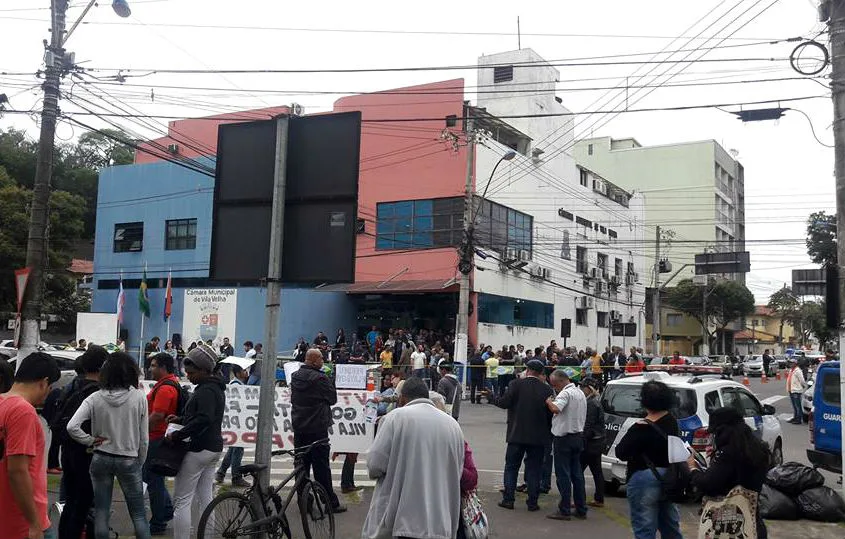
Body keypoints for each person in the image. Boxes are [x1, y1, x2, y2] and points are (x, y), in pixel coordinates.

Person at [362, 377, 465, 539]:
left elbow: (375, 464)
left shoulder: (395, 418)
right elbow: (457, 471)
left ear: (402, 398)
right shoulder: (453, 426)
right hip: (440, 523)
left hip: (402, 522)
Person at [67, 351, 150, 539]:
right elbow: (144, 438)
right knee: (138, 515)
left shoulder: (95, 397)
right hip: (129, 458)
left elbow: (72, 426)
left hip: (101, 457)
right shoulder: (138, 397)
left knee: (102, 513)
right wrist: (140, 461)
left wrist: (89, 440)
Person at [166, 344, 226, 539]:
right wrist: (181, 420)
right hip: (212, 449)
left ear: (204, 370)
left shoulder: (206, 390)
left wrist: (179, 434)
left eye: (191, 372)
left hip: (199, 448)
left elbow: (204, 418)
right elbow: (203, 416)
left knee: (182, 500)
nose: (188, 376)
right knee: (205, 498)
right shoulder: (214, 386)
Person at [0, 352, 61, 539]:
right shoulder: (22, 411)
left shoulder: (3, 402)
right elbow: (17, 470)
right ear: (43, 382)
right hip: (24, 520)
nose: (46, 395)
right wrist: (34, 524)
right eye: (49, 388)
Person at [688, 407, 770, 539]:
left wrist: (693, 469)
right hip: (753, 521)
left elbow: (709, 483)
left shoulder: (728, 453)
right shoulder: (758, 448)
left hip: (728, 524)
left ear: (722, 430)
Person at [614, 381, 683, 539]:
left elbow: (621, 452)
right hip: (669, 477)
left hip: (643, 477)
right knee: (670, 525)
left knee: (644, 527)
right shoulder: (671, 422)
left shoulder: (640, 428)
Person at [56, 346, 108, 539]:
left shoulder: (72, 386)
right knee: (85, 503)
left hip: (68, 450)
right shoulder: (97, 393)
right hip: (87, 452)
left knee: (71, 500)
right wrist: (92, 441)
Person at [492, 359, 555, 511]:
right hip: (538, 437)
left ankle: (509, 499)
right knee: (534, 469)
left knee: (511, 467)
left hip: (516, 434)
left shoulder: (515, 384)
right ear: (541, 373)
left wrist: (492, 397)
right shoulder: (546, 390)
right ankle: (532, 502)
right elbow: (550, 416)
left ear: (527, 370)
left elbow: (504, 403)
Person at [290, 348, 346, 513]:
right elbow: (332, 398)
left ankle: (304, 501)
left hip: (300, 427)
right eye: (321, 358)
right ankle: (329, 502)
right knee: (321, 467)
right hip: (317, 427)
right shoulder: (320, 378)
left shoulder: (295, 376)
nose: (323, 361)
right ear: (314, 360)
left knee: (301, 466)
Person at [144, 353, 181, 535]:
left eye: (153, 365)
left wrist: (140, 432)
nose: (150, 369)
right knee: (155, 478)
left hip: (155, 438)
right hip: (157, 437)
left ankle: (158, 522)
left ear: (163, 367)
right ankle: (165, 511)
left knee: (153, 480)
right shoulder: (168, 384)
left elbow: (158, 415)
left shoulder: (166, 389)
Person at [545, 369, 588, 521]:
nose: (554, 387)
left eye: (555, 384)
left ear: (562, 381)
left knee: (563, 475)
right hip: (578, 436)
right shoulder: (580, 393)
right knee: (577, 475)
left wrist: (549, 402)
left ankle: (564, 509)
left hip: (563, 438)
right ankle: (581, 508)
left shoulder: (565, 393)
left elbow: (556, 409)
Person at [216, 365, 251, 487]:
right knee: (238, 449)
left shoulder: (236, 384)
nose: (245, 372)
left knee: (233, 449)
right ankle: (236, 477)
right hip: (238, 422)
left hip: (237, 422)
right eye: (243, 370)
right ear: (237, 372)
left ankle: (221, 472)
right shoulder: (236, 385)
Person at [580, 378, 606, 508]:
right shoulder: (596, 401)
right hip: (598, 441)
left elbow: (588, 426)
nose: (581, 390)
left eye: (582, 387)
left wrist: (581, 441)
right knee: (597, 471)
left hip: (591, 443)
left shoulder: (590, 403)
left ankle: (580, 500)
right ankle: (599, 498)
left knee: (578, 471)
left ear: (588, 388)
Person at [787, 358, 808, 424]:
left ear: (795, 364)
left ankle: (799, 419)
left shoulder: (798, 371)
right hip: (791, 390)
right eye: (790, 363)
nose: (790, 364)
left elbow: (802, 380)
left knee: (797, 406)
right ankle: (795, 417)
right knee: (794, 405)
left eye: (792, 363)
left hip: (796, 390)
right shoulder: (791, 370)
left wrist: (803, 386)